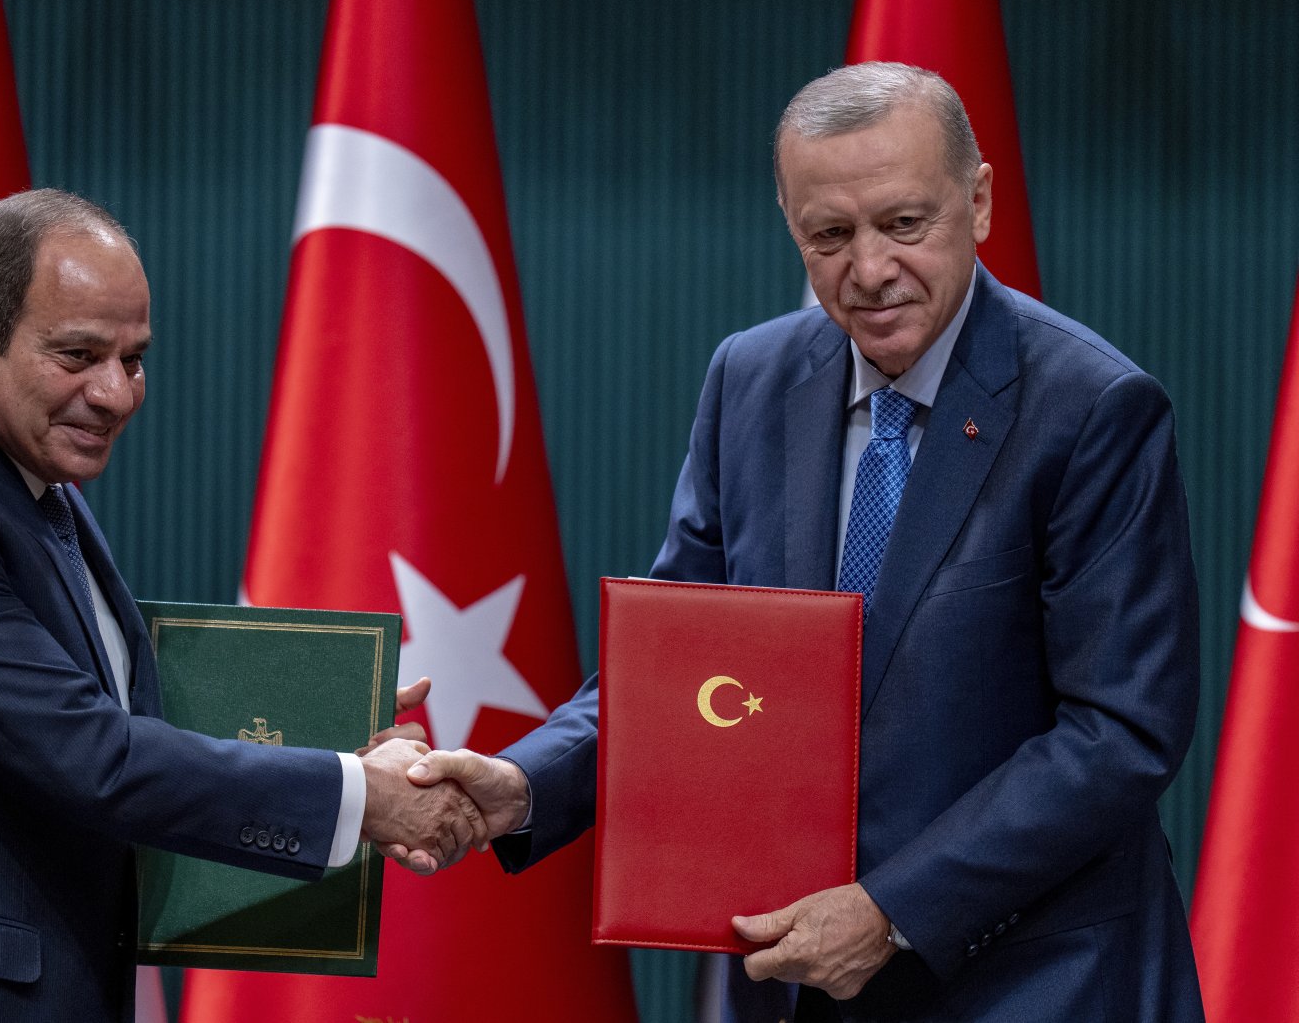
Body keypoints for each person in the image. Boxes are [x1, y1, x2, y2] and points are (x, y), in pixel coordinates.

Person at [401, 63, 1204, 1021]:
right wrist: (523, 782)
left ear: (979, 201)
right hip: (784, 982)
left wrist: (893, 910)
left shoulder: (1093, 407)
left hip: (1031, 982)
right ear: (791, 225)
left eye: (905, 223)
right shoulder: (750, 378)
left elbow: (1119, 733)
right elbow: (678, 664)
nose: (868, 270)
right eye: (830, 235)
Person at [0, 189, 481, 1022]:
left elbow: (71, 712)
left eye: (134, 359)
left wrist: (324, 717)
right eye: (78, 356)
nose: (116, 394)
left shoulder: (30, 484)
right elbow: (88, 752)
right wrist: (357, 796)